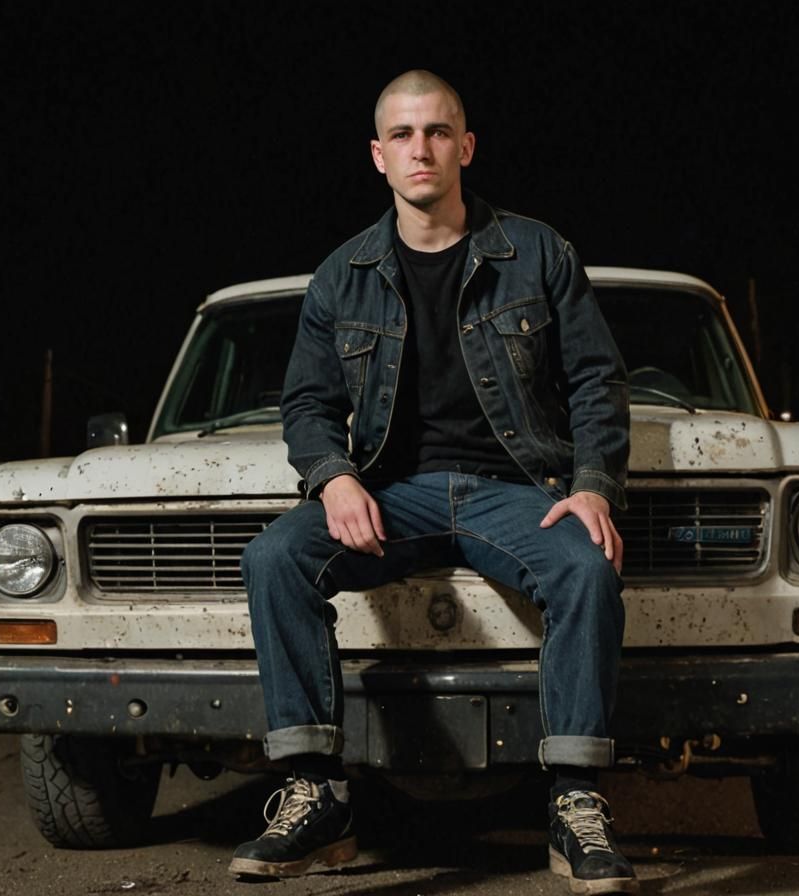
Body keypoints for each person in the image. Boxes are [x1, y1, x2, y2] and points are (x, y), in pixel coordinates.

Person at [231, 70, 636, 894]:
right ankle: (314, 793)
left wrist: (592, 486)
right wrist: (333, 478)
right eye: (404, 136)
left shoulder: (538, 252)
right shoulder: (342, 274)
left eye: (438, 132)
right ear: (379, 156)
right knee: (275, 557)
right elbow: (308, 403)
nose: (423, 149)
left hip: (514, 491)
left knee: (587, 567)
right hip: (394, 494)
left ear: (466, 146)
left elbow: (598, 379)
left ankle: (576, 801)